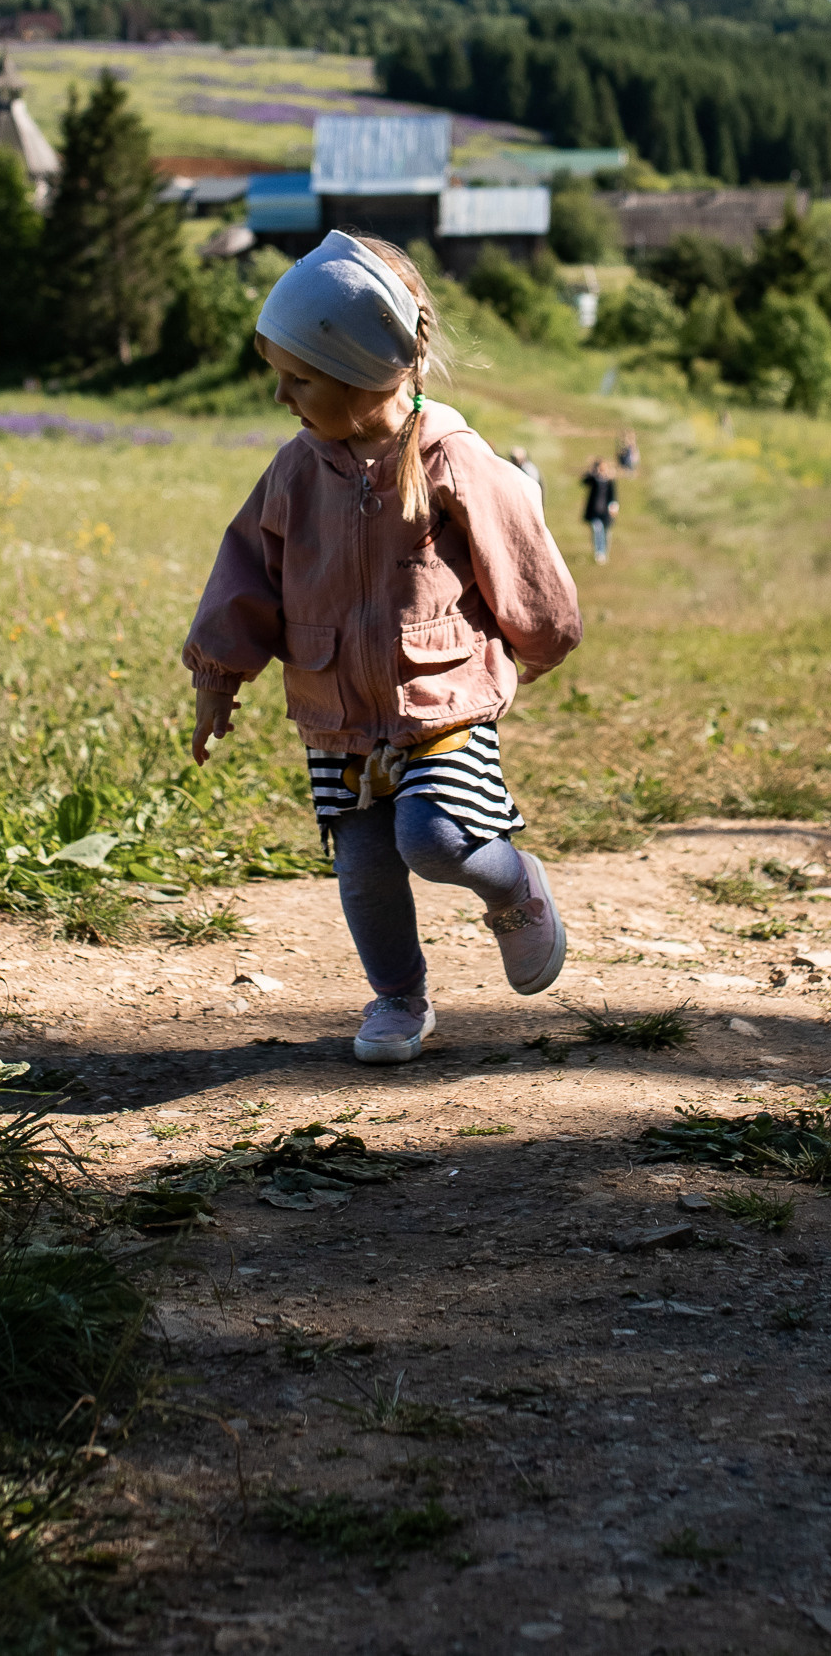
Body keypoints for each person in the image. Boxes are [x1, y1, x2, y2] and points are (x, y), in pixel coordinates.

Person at [182, 232, 583, 1067]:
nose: (283, 397)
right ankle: (399, 995)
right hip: (336, 711)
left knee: (433, 837)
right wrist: (219, 675)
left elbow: (519, 546)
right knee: (363, 865)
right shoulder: (295, 472)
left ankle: (513, 886)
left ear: (366, 372)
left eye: (301, 379)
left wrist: (539, 637)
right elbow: (246, 572)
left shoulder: (450, 457)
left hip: (441, 698)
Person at [581, 459, 619, 563]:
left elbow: (613, 495)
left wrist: (614, 506)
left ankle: (604, 552)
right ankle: (599, 552)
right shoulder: (594, 479)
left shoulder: (609, 480)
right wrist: (592, 472)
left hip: (605, 512)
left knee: (606, 533)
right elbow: (584, 482)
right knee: (597, 531)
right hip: (595, 511)